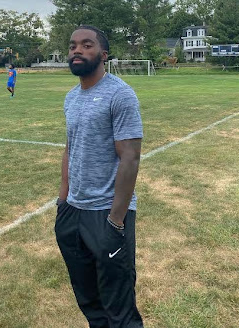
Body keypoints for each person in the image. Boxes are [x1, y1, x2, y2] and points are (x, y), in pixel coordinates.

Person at [55, 25, 144, 328]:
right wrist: (63, 201)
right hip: (73, 213)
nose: (77, 50)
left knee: (118, 306)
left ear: (103, 55)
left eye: (86, 45)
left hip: (106, 214)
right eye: (72, 46)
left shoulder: (120, 95)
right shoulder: (71, 98)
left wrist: (115, 221)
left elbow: (130, 157)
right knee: (88, 300)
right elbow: (69, 150)